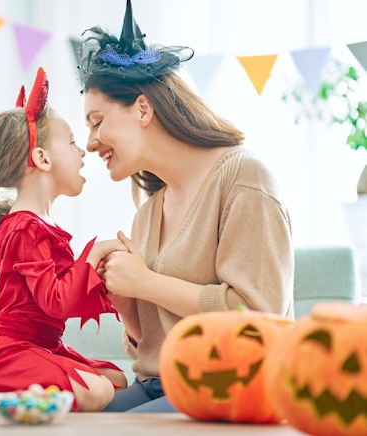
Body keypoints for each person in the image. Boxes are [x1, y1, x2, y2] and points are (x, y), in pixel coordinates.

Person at [76, 0, 294, 413]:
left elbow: (259, 318)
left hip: (232, 389)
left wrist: (145, 284)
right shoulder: (147, 213)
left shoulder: (244, 179)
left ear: (142, 108)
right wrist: (126, 304)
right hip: (160, 388)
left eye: (97, 121)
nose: (90, 143)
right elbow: (150, 350)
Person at [0, 67, 128, 413]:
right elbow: (55, 302)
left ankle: (14, 402)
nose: (83, 152)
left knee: (116, 380)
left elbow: (59, 298)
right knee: (97, 391)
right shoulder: (23, 228)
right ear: (42, 158)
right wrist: (93, 254)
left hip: (39, 346)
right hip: (5, 352)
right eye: (72, 143)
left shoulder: (39, 225)